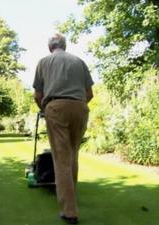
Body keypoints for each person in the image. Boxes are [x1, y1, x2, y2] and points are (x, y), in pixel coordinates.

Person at [32, 33, 94, 224]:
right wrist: (77, 104)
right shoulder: (80, 62)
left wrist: (47, 110)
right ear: (64, 46)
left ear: (50, 47)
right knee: (73, 155)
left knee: (61, 159)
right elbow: (89, 93)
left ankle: (69, 211)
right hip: (80, 108)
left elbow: (37, 95)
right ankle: (71, 199)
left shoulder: (43, 62)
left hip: (56, 107)